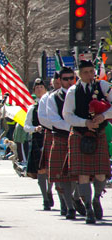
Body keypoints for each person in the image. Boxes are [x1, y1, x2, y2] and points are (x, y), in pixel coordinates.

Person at [62, 60, 111, 224]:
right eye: (86, 72)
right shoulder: (73, 91)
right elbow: (67, 115)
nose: (90, 75)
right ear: (79, 74)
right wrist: (86, 123)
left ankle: (96, 198)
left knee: (100, 173)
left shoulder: (103, 86)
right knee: (82, 175)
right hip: (79, 135)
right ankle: (88, 208)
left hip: (99, 134)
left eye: (91, 71)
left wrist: (103, 116)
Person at [46, 66, 79, 219]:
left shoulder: (81, 94)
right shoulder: (54, 98)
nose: (68, 82)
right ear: (59, 80)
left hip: (80, 138)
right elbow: (53, 120)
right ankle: (67, 204)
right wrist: (74, 125)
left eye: (71, 78)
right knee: (62, 175)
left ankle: (76, 199)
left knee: (80, 175)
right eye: (65, 79)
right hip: (62, 138)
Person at [24, 79, 53, 210]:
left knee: (52, 169)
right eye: (37, 88)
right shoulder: (32, 108)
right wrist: (34, 129)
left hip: (51, 138)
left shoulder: (51, 104)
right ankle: (45, 197)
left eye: (41, 87)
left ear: (46, 89)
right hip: (38, 140)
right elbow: (26, 126)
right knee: (41, 170)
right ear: (34, 91)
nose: (39, 89)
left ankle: (49, 190)